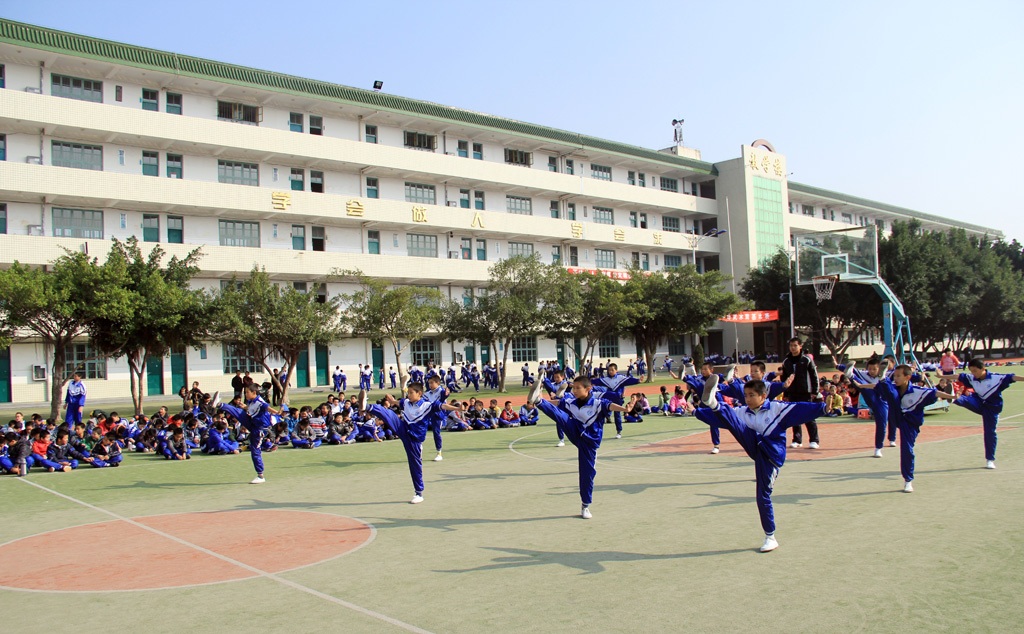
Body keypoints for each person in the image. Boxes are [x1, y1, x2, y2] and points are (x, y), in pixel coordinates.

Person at [693, 375, 830, 552]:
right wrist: (697, 412)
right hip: (755, 446)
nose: (748, 399)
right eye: (746, 395)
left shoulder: (777, 409)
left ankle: (770, 537)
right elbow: (722, 420)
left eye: (752, 395)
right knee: (735, 423)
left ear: (763, 396)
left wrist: (823, 407)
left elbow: (800, 409)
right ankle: (714, 404)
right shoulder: (743, 411)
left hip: (771, 456)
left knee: (762, 496)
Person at [526, 376, 638, 519]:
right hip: (575, 431)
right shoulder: (571, 401)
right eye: (573, 388)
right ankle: (539, 401)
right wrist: (542, 401)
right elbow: (558, 403)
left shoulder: (598, 403)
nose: (575, 391)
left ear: (588, 389)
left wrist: (625, 409)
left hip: (589, 443)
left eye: (578, 388)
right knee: (561, 416)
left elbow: (610, 405)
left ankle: (585, 505)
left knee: (587, 474)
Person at [851, 365, 956, 492]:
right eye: (894, 375)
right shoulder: (894, 388)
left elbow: (935, 393)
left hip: (910, 423)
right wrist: (861, 386)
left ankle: (908, 480)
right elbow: (874, 386)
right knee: (889, 391)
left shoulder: (917, 391)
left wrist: (953, 397)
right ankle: (883, 378)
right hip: (897, 417)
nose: (896, 378)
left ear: (907, 377)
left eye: (898, 376)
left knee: (907, 449)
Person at [358, 387, 463, 504]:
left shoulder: (427, 405)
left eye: (411, 393)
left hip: (414, 439)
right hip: (404, 429)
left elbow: (443, 406)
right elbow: (399, 402)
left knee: (414, 465)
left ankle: (419, 493)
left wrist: (458, 408)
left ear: (419, 393)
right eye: (408, 393)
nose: (408, 395)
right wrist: (392, 401)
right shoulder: (406, 402)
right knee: (389, 414)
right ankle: (366, 406)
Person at [944, 358, 1023, 469]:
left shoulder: (996, 378)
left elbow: (1012, 377)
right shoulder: (972, 377)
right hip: (978, 402)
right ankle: (953, 398)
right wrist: (941, 377)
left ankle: (990, 460)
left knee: (990, 433)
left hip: (992, 409)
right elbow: (957, 376)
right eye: (971, 371)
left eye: (975, 371)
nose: (973, 373)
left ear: (983, 369)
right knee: (965, 400)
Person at [214, 385, 272, 484]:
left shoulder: (260, 402)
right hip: (253, 424)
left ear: (254, 393)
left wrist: (279, 412)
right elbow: (250, 408)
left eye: (247, 392)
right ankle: (220, 405)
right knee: (239, 412)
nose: (245, 394)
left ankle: (260, 475)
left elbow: (269, 409)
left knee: (255, 451)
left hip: (260, 430)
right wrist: (245, 407)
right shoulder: (251, 401)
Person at [844, 355, 896, 457]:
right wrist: (838, 366)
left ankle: (879, 447)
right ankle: (850, 375)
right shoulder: (865, 374)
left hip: (883, 400)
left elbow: (905, 374)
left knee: (883, 423)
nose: (872, 371)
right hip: (872, 396)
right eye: (870, 369)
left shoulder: (891, 375)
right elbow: (863, 384)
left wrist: (915, 372)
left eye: (875, 369)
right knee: (863, 387)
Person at [780, 338, 820, 449]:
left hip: (805, 392)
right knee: (794, 416)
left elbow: (814, 376)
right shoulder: (786, 361)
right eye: (791, 345)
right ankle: (797, 440)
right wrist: (786, 394)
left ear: (800, 346)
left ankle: (814, 440)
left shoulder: (807, 360)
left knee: (808, 416)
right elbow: (784, 379)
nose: (793, 348)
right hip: (792, 392)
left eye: (795, 345)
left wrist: (815, 391)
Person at [591, 362, 640, 439]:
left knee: (617, 415)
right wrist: (588, 381)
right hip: (609, 398)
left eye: (612, 370)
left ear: (616, 370)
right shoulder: (606, 379)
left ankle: (619, 432)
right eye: (609, 370)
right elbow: (597, 381)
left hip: (618, 399)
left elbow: (630, 380)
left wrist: (638, 381)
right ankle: (598, 431)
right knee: (603, 412)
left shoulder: (620, 378)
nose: (610, 371)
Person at [423, 375, 448, 462]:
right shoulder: (428, 393)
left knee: (436, 433)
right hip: (427, 414)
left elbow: (444, 396)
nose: (430, 385)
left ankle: (439, 453)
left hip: (437, 415)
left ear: (437, 383)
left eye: (431, 383)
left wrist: (447, 394)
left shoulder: (441, 391)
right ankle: (419, 446)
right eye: (429, 383)